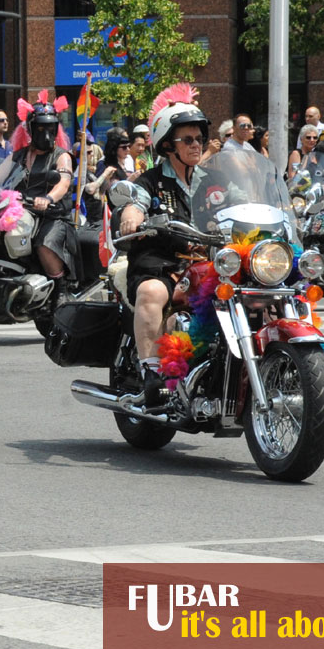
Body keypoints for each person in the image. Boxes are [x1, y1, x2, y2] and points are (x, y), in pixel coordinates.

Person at [114, 82, 209, 406]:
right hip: (159, 261)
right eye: (188, 139)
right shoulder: (151, 181)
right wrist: (132, 215)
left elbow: (240, 202)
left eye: (199, 138)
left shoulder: (211, 181)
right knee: (152, 292)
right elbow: (135, 202)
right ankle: (152, 372)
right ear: (168, 144)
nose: (196, 144)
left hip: (206, 264)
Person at [10, 96, 76, 288]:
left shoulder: (62, 156)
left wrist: (48, 198)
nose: (45, 133)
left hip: (52, 215)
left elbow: (63, 183)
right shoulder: (20, 155)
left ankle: (60, 288)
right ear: (30, 129)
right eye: (40, 128)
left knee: (44, 244)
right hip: (22, 213)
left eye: (50, 128)